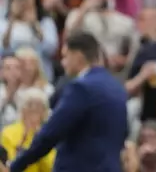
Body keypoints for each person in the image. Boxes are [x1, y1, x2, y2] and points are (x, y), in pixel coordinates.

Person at [9, 32, 128, 172]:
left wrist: (17, 163)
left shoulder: (81, 87)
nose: (62, 63)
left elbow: (51, 133)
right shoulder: (117, 88)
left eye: (65, 56)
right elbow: (124, 132)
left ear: (78, 56)